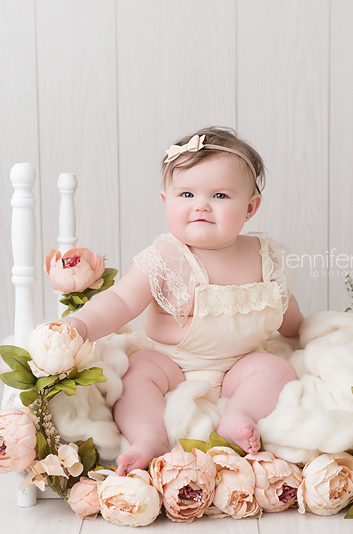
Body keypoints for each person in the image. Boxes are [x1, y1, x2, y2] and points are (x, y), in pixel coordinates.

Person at [63, 127, 304, 475]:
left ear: (250, 207)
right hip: (170, 363)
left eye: (220, 196)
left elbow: (284, 309)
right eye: (187, 194)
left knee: (277, 369)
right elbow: (120, 300)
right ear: (167, 201)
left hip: (239, 365)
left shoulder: (267, 258)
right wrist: (83, 324)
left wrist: (304, 333)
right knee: (135, 374)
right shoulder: (165, 257)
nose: (201, 205)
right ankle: (149, 436)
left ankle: (239, 417)